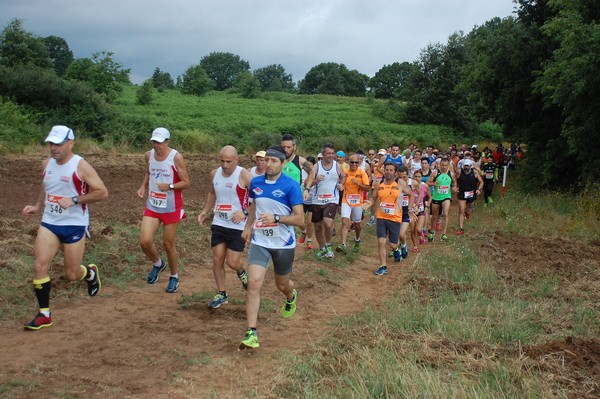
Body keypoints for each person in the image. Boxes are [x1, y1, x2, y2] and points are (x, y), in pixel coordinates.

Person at [22, 125, 108, 330]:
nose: (53, 148)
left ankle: (90, 274)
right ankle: (44, 314)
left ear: (71, 143)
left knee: (71, 274)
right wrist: (36, 206)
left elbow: (102, 192)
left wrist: (75, 199)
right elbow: (46, 185)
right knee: (39, 265)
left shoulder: (81, 166)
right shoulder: (46, 164)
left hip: (74, 224)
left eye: (58, 143)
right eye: (51, 143)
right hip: (49, 223)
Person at [239, 146, 305, 350]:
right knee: (253, 284)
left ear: (283, 164)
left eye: (274, 161)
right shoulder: (256, 182)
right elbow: (253, 205)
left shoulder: (291, 186)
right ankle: (251, 332)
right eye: (266, 160)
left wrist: (276, 218)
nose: (268, 164)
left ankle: (290, 296)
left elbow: (300, 219)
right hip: (260, 241)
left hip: (283, 244)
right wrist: (248, 226)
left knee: (282, 284)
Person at [137, 127, 190, 293]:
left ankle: (174, 276)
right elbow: (149, 172)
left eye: (160, 143)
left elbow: (186, 182)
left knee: (168, 244)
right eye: (154, 142)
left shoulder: (176, 157)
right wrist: (143, 186)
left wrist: (170, 186)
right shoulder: (149, 155)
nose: (156, 146)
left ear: (167, 142)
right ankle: (158, 264)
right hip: (153, 205)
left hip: (171, 207)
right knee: (145, 242)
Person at [199, 145, 251, 309]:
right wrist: (205, 211)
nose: (225, 165)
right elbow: (212, 193)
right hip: (219, 223)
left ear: (237, 160)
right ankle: (222, 293)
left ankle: (241, 272)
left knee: (232, 261)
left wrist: (245, 212)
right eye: (222, 161)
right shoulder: (214, 174)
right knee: (217, 258)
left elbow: (259, 198)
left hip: (238, 226)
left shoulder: (244, 175)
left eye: (229, 161)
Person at [365, 162, 414, 275]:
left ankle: (396, 249)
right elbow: (373, 198)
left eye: (391, 170)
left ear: (395, 172)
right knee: (381, 241)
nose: (388, 172)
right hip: (381, 216)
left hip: (395, 217)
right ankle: (383, 266)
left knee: (393, 244)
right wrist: (369, 203)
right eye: (387, 169)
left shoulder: (400, 183)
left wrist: (410, 208)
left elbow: (411, 194)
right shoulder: (378, 183)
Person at [303, 143, 346, 258]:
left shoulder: (337, 166)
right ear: (323, 154)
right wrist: (316, 180)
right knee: (318, 227)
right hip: (317, 200)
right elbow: (308, 183)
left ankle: (328, 245)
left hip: (332, 199)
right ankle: (322, 248)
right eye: (328, 153)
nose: (331, 156)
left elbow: (343, 176)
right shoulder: (316, 167)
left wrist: (341, 184)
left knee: (327, 223)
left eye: (333, 153)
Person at [337, 154, 370, 254]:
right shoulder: (345, 172)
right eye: (352, 162)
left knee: (357, 224)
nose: (354, 164)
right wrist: (340, 186)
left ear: (359, 163)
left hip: (357, 202)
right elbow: (340, 183)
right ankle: (343, 245)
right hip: (346, 200)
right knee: (344, 221)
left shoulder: (362, 172)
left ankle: (357, 239)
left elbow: (368, 188)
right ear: (348, 162)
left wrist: (358, 184)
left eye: (356, 162)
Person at [426, 158, 456, 242]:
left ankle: (444, 234)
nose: (444, 167)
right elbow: (427, 182)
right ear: (439, 165)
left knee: (445, 213)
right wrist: (433, 184)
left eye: (446, 165)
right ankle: (432, 231)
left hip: (446, 196)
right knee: (434, 216)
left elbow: (454, 182)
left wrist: (454, 187)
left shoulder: (451, 174)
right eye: (442, 165)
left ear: (448, 165)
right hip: (436, 197)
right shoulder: (435, 173)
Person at [455, 159, 484, 235]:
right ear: (463, 166)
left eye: (467, 166)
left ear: (470, 166)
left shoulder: (474, 172)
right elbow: (454, 179)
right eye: (465, 166)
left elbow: (481, 182)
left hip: (471, 193)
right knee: (461, 210)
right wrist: (455, 186)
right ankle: (461, 228)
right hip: (462, 193)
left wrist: (478, 189)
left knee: (469, 208)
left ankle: (468, 214)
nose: (466, 167)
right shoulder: (459, 172)